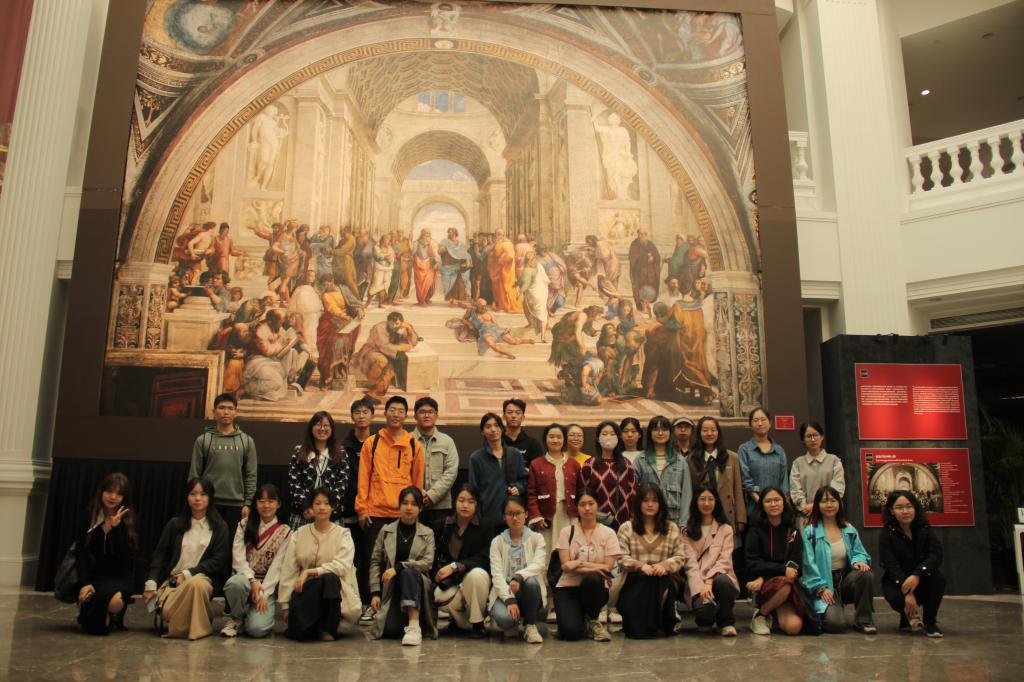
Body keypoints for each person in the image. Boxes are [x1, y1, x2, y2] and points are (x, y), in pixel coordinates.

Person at [144, 477, 231, 640]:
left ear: (210, 498)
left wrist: (188, 573)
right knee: (167, 610)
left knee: (195, 584)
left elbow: (219, 560)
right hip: (173, 582)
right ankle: (200, 621)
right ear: (186, 497)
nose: (198, 498)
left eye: (203, 494)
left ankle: (193, 628)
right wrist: (151, 581)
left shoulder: (220, 527)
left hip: (203, 579)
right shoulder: (174, 524)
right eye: (193, 494)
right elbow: (160, 555)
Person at [355, 395, 425, 577]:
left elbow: (417, 483)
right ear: (385, 413)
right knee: (373, 562)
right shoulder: (372, 443)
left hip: (402, 515)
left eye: (400, 411)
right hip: (375, 514)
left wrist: (415, 510)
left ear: (406, 416)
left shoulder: (414, 445)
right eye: (392, 410)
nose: (396, 414)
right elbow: (363, 478)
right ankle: (372, 595)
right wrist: (361, 509)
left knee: (397, 565)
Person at [278, 487, 357, 640]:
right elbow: (289, 569)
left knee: (330, 578)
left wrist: (310, 571)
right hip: (306, 592)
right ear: (311, 507)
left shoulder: (343, 534)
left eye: (327, 503)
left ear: (333, 507)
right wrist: (285, 605)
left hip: (334, 592)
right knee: (301, 635)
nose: (322, 507)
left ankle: (328, 629)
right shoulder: (299, 534)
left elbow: (341, 565)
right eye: (317, 503)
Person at [801, 486, 877, 634]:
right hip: (824, 584)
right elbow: (808, 565)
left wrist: (859, 561)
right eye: (824, 501)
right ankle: (825, 611)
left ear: (839, 503)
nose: (829, 505)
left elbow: (860, 552)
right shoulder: (811, 532)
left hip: (845, 580)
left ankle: (864, 620)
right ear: (817, 505)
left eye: (833, 500)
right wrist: (821, 588)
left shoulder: (849, 529)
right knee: (836, 625)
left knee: (865, 574)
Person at [616, 482, 685, 638]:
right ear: (638, 503)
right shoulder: (627, 528)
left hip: (664, 579)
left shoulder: (671, 528)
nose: (650, 504)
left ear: (661, 504)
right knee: (645, 581)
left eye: (654, 500)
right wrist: (641, 566)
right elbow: (620, 556)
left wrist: (665, 565)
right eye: (645, 500)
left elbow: (680, 556)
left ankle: (659, 622)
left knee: (658, 580)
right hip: (634, 581)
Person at [222, 484, 292, 638]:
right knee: (235, 583)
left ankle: (253, 617)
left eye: (271, 501)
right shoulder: (244, 524)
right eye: (261, 501)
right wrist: (252, 581)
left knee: (256, 629)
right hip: (246, 581)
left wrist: (263, 594)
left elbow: (278, 566)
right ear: (255, 503)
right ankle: (236, 618)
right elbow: (238, 558)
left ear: (278, 504)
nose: (266, 505)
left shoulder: (285, 531)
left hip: (267, 586)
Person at [370, 487, 437, 645]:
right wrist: (375, 593)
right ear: (399, 505)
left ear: (420, 508)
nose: (408, 508)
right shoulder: (386, 531)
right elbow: (375, 562)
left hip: (418, 588)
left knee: (409, 572)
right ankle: (409, 623)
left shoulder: (427, 533)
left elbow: (427, 563)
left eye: (414, 504)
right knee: (391, 631)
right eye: (405, 503)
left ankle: (414, 626)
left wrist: (399, 567)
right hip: (393, 589)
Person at [553, 487, 621, 641]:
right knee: (571, 632)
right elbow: (565, 566)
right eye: (582, 504)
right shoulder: (566, 532)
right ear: (577, 507)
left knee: (592, 578)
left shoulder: (608, 533)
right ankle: (578, 619)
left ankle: (593, 619)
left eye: (591, 503)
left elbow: (608, 567)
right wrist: (592, 566)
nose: (587, 508)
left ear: (598, 505)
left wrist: (577, 564)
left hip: (595, 588)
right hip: (568, 588)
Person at [75, 473, 136, 635]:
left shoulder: (128, 519)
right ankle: (89, 612)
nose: (113, 497)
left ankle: (108, 613)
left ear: (124, 498)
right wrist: (84, 583)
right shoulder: (89, 515)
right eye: (109, 491)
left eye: (118, 494)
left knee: (114, 602)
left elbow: (124, 557)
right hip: (95, 574)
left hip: (120, 576)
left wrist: (115, 529)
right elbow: (80, 552)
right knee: (92, 625)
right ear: (101, 492)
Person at [878, 491, 945, 637]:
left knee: (938, 579)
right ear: (891, 511)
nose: (905, 511)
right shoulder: (886, 533)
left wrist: (917, 575)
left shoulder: (924, 528)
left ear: (915, 507)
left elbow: (936, 555)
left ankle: (930, 622)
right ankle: (906, 617)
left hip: (922, 577)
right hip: (898, 580)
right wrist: (907, 591)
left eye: (909, 506)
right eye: (899, 507)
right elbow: (890, 564)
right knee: (896, 597)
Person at [188, 393, 257, 532]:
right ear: (214, 412)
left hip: (236, 504)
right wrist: (195, 499)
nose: (226, 412)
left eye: (230, 408)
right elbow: (194, 474)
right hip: (208, 503)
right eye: (221, 408)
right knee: (206, 542)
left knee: (232, 543)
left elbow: (251, 474)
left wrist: (248, 503)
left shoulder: (246, 441)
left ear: (236, 413)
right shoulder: (203, 440)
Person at [431, 484, 493, 637]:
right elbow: (434, 555)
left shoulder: (485, 526)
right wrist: (438, 574)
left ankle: (477, 623)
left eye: (471, 501)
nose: (465, 505)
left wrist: (456, 566)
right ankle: (459, 622)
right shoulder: (441, 525)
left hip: (474, 580)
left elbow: (485, 558)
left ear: (477, 504)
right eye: (461, 500)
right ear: (454, 501)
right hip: (452, 582)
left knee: (476, 575)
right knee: (439, 596)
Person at [744, 486, 805, 636]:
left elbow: (795, 566)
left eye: (777, 500)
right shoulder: (755, 531)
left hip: (787, 584)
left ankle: (773, 613)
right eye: (768, 501)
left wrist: (768, 575)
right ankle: (761, 615)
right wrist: (780, 571)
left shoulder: (792, 531)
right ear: (762, 505)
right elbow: (752, 563)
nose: (773, 504)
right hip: (764, 585)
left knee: (794, 627)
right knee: (784, 584)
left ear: (784, 503)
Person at [681, 484, 739, 636]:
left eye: (710, 499)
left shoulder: (725, 529)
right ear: (695, 501)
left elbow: (725, 560)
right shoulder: (686, 531)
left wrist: (709, 580)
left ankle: (725, 622)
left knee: (723, 582)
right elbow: (690, 565)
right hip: (697, 581)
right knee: (704, 609)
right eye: (702, 499)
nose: (706, 503)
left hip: (719, 577)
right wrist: (701, 587)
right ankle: (704, 620)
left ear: (716, 502)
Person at [488, 496, 547, 643]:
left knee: (531, 582)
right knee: (505, 620)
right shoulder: (497, 542)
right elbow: (496, 575)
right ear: (504, 517)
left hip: (529, 592)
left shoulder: (537, 538)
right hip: (505, 592)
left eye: (518, 513)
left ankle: (530, 625)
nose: (515, 518)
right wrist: (509, 599)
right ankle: (512, 622)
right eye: (510, 514)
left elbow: (539, 564)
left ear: (526, 514)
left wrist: (519, 576)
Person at [286, 411, 350, 530]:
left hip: (331, 516)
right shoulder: (299, 451)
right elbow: (294, 482)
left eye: (326, 425)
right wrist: (306, 507)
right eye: (318, 425)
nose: (322, 429)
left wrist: (327, 507)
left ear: (332, 429)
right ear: (311, 427)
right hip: (304, 515)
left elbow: (342, 484)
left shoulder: (341, 453)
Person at [341, 397, 374, 621]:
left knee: (370, 558)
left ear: (372, 415)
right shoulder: (343, 446)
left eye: (365, 412)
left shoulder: (379, 442)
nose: (361, 416)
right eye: (357, 412)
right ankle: (351, 602)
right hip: (349, 512)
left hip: (373, 510)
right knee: (352, 559)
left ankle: (369, 602)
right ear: (352, 417)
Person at [527, 423, 581, 554]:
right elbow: (531, 493)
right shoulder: (536, 464)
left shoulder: (574, 464)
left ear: (564, 440)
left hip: (569, 514)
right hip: (547, 516)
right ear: (545, 439)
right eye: (551, 437)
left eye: (559, 437)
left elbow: (580, 491)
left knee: (570, 549)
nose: (555, 440)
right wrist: (537, 516)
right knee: (546, 551)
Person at [468, 412, 529, 528]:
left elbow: (525, 480)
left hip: (513, 518)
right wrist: (478, 517)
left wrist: (519, 488)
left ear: (502, 429)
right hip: (487, 519)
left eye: (496, 425)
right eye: (488, 426)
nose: (493, 429)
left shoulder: (515, 454)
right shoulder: (476, 458)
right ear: (482, 432)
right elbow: (473, 491)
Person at [688, 416, 746, 530]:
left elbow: (738, 489)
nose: (709, 433)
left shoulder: (732, 457)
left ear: (718, 432)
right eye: (705, 430)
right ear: (699, 433)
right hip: (702, 513)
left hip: (727, 512)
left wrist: (740, 518)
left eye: (713, 430)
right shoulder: (690, 460)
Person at [634, 415, 693, 525]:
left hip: (673, 521)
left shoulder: (679, 461)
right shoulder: (640, 460)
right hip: (647, 521)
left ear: (670, 433)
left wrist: (683, 523)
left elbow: (687, 494)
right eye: (656, 429)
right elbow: (634, 491)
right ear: (650, 433)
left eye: (664, 429)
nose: (660, 433)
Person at [580, 420, 637, 529]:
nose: (608, 437)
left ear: (618, 438)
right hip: (596, 521)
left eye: (612, 434)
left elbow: (633, 493)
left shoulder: (627, 464)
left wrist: (633, 520)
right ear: (598, 438)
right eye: (604, 433)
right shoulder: (589, 465)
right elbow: (583, 494)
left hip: (623, 523)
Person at [411, 397, 459, 526]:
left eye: (430, 412)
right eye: (422, 412)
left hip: (441, 506)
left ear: (436, 415)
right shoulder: (407, 440)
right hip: (413, 504)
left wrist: (431, 496)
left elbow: (451, 472)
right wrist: (417, 496)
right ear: (415, 416)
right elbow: (402, 473)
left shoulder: (447, 441)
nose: (426, 415)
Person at [352, 311, 418, 403]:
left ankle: (373, 394)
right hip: (372, 351)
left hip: (390, 354)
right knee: (382, 361)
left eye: (397, 324)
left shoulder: (402, 328)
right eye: (392, 324)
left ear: (401, 323)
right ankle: (372, 386)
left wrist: (409, 329)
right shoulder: (379, 327)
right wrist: (400, 347)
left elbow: (413, 342)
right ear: (388, 322)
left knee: (389, 372)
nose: (394, 326)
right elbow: (383, 346)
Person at [738, 407, 789, 516]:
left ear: (770, 423)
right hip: (754, 509)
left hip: (777, 509)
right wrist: (761, 502)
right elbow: (745, 479)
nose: (760, 423)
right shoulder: (744, 449)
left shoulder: (779, 450)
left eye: (763, 420)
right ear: (750, 425)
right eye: (756, 420)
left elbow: (784, 481)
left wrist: (778, 503)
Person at [790, 421, 846, 519]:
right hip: (806, 515)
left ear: (822, 436)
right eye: (808, 436)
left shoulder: (834, 461)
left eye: (815, 435)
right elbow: (795, 491)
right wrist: (805, 506)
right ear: (803, 440)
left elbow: (838, 488)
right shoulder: (797, 463)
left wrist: (817, 506)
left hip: (830, 513)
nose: (812, 439)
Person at [501, 398, 543, 465]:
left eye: (518, 413)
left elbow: (537, 469)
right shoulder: (497, 442)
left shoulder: (533, 445)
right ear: (503, 416)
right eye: (510, 412)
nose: (513, 416)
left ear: (523, 417)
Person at [413, 228, 439, 305]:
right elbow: (413, 252)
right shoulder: (416, 243)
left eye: (428, 233)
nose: (427, 235)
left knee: (429, 282)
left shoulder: (433, 243)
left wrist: (437, 262)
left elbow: (436, 254)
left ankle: (427, 298)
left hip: (429, 264)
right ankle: (421, 300)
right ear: (422, 234)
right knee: (420, 284)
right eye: (425, 233)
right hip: (419, 265)